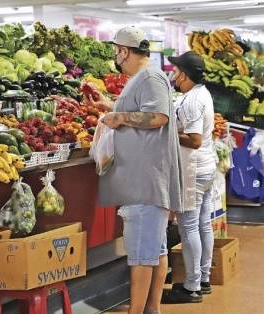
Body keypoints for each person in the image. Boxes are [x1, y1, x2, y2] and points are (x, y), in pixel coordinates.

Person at [86, 27, 183, 314]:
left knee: (141, 256)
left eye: (116, 50)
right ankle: (152, 308)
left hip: (145, 180)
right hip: (145, 178)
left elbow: (158, 117)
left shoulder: (151, 77)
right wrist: (110, 106)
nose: (116, 55)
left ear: (124, 51)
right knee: (156, 249)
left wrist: (121, 116)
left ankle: (137, 310)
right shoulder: (143, 78)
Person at [163, 51, 217, 303]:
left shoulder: (193, 100)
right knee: (203, 224)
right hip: (206, 168)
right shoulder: (200, 94)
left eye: (175, 71)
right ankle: (203, 278)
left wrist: (168, 134)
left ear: (184, 74)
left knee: (189, 226)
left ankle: (192, 286)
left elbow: (194, 141)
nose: (173, 74)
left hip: (193, 170)